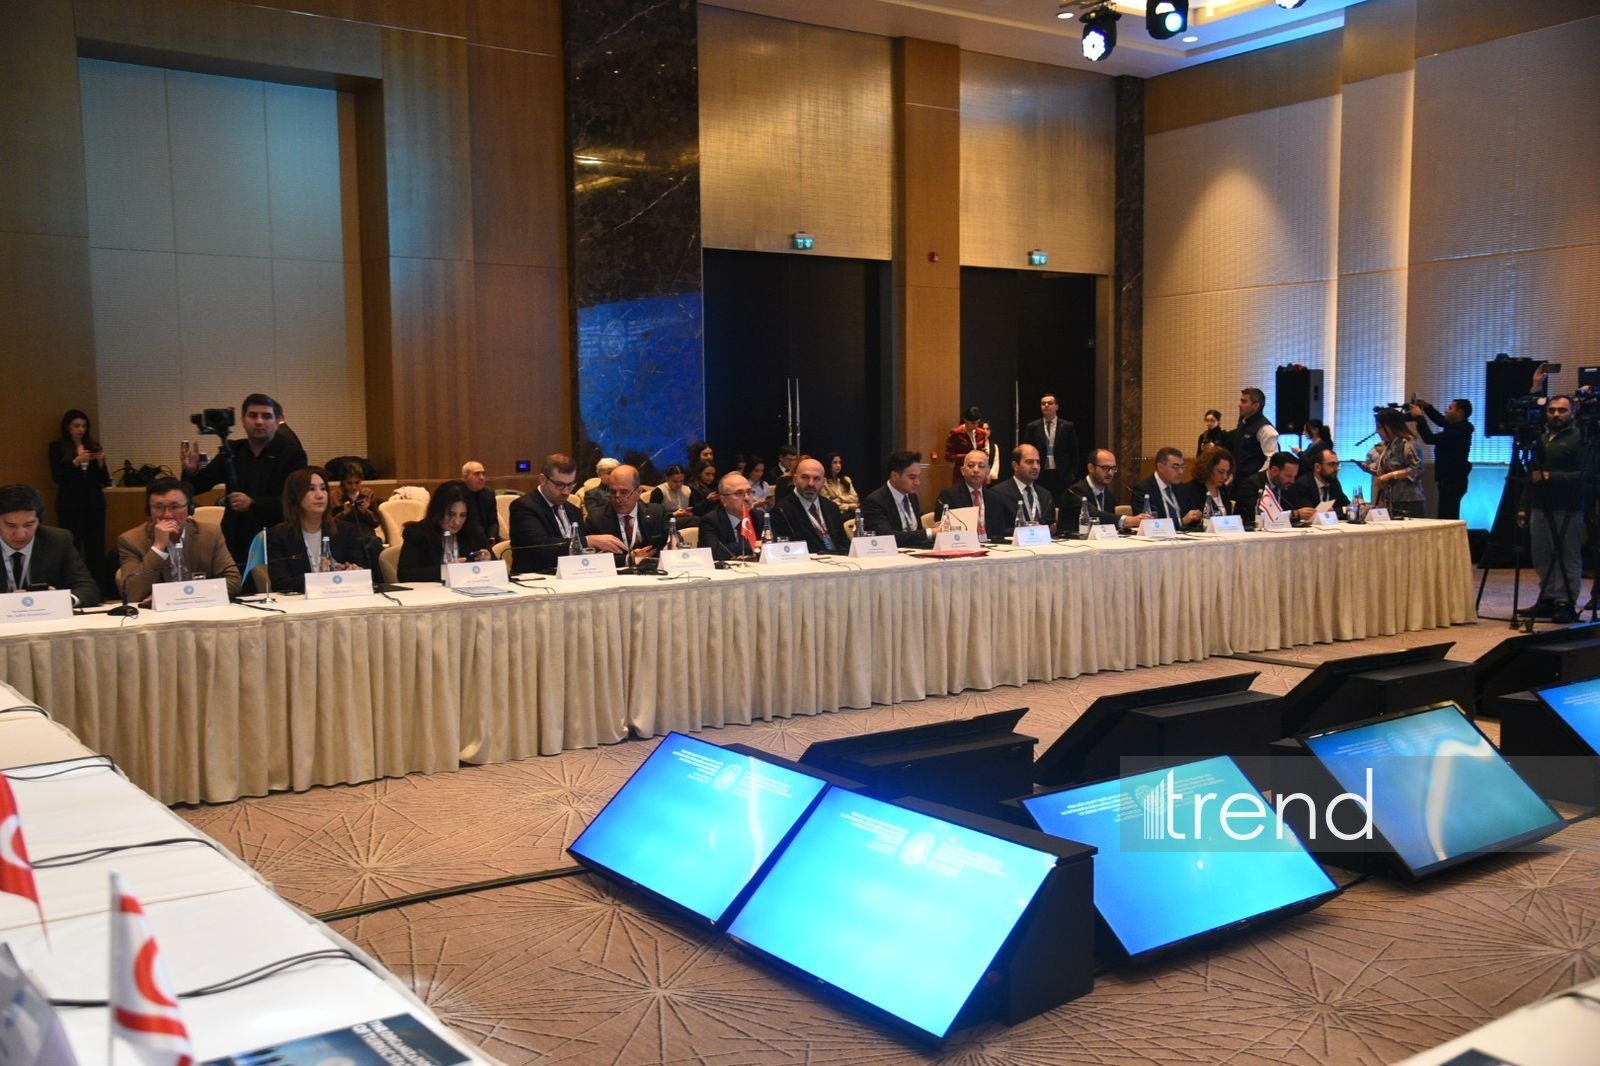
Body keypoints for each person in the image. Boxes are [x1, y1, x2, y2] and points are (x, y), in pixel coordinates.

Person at [180, 393, 308, 565]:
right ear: (243, 420)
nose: (259, 421)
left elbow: (295, 500)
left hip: (277, 538)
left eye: (266, 416)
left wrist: (253, 503)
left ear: (278, 421)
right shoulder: (232, 451)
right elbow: (196, 487)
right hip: (235, 539)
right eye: (253, 415)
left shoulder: (292, 455)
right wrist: (191, 472)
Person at [115, 477, 241, 602]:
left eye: (174, 507)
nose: (167, 515)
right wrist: (158, 548)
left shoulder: (210, 534)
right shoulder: (131, 540)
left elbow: (233, 582)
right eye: (158, 507)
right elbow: (131, 593)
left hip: (202, 608)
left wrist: (174, 597)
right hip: (155, 613)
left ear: (190, 508)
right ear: (149, 510)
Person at [1524, 395, 1584, 622]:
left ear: (1572, 412)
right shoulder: (1542, 437)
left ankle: (1565, 601)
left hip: (1567, 507)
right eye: (1552, 410)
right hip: (1540, 506)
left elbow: (1585, 475)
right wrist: (1524, 505)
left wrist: (1551, 476)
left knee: (1567, 556)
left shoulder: (1580, 438)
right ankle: (1548, 598)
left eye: (1562, 410)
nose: (1556, 414)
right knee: (1541, 555)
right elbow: (1531, 473)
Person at [266, 468, 370, 593]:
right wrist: (319, 578)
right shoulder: (278, 536)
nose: (320, 495)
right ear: (295, 496)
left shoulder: (345, 530)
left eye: (323, 489)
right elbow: (281, 584)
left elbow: (361, 570)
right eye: (311, 489)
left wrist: (352, 570)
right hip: (300, 601)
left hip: (339, 597)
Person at [0, 483, 100, 606]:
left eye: (29, 525)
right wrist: (6, 603)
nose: (21, 534)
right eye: (11, 526)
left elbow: (88, 588)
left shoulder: (57, 540)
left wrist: (63, 599)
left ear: (39, 521)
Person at [48, 409, 111, 584]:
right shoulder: (57, 447)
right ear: (67, 427)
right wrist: (75, 462)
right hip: (70, 504)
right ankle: (74, 584)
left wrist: (101, 462)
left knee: (96, 546)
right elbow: (57, 477)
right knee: (72, 544)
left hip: (94, 503)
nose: (81, 430)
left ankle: (98, 586)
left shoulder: (94, 446)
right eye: (76, 426)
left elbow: (104, 480)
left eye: (84, 426)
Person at [397, 480, 491, 583]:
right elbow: (405, 575)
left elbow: (498, 569)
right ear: (438, 511)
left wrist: (488, 562)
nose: (457, 522)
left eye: (462, 515)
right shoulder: (416, 533)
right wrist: (446, 571)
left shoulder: (474, 533)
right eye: (451, 514)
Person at [510, 454, 585, 575]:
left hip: (573, 574)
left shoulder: (573, 510)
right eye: (560, 485)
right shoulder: (523, 507)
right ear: (543, 479)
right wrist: (586, 542)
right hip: (537, 578)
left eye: (570, 485)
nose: (566, 492)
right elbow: (542, 548)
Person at [583, 464, 669, 565]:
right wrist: (628, 559)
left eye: (624, 492)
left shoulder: (657, 512)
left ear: (638, 492)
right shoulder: (596, 519)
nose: (618, 498)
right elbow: (594, 559)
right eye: (613, 492)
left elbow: (671, 540)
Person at [1409, 397, 1474, 520]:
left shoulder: (1459, 431)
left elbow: (1429, 438)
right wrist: (1427, 407)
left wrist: (1420, 418)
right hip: (1451, 478)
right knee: (1447, 514)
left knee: (1447, 516)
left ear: (1460, 413)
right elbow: (1441, 420)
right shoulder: (1459, 426)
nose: (1446, 410)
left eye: (1450, 408)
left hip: (1453, 480)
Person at [774, 457, 849, 554]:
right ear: (795, 480)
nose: (811, 484)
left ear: (823, 482)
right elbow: (787, 551)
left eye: (817, 479)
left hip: (839, 559)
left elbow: (843, 544)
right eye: (805, 477)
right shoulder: (781, 511)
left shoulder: (832, 507)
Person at [859, 451, 930, 548]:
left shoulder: (912, 497)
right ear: (895, 476)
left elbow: (917, 532)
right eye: (912, 477)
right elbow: (887, 538)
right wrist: (929, 532)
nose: (918, 482)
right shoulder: (875, 501)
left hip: (917, 551)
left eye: (918, 477)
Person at [1362, 409, 1425, 519]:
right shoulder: (1390, 444)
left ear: (1390, 426)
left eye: (1380, 427)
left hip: (1408, 500)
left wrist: (1390, 475)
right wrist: (1373, 470)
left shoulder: (1407, 442)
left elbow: (1417, 469)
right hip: (1391, 499)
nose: (1377, 431)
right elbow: (1390, 467)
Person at [1063, 449, 1144, 532]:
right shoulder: (1075, 492)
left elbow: (1109, 525)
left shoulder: (1109, 495)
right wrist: (1127, 520)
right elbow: (1093, 515)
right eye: (1105, 468)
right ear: (1091, 468)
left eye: (1113, 468)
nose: (1110, 473)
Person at [986, 444, 1055, 541]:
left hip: (1043, 545)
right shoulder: (997, 494)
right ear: (1015, 466)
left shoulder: (1046, 495)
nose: (1035, 467)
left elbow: (1050, 525)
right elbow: (996, 530)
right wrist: (1026, 531)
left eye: (1038, 462)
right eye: (1030, 462)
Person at [1022, 394, 1079, 502]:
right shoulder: (1033, 427)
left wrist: (1072, 474)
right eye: (1043, 404)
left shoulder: (1067, 426)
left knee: (1061, 503)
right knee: (1043, 501)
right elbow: (1026, 450)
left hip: (1061, 473)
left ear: (1056, 407)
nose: (1046, 405)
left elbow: (1074, 452)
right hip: (1040, 472)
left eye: (1050, 403)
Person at [699, 472, 762, 561]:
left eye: (749, 492)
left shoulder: (759, 516)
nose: (747, 498)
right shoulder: (710, 521)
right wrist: (753, 544)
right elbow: (713, 553)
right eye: (739, 493)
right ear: (723, 500)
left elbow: (773, 542)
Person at [1229, 387, 1279, 498]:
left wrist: (1257, 479)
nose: (1239, 405)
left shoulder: (1265, 429)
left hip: (1253, 486)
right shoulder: (1243, 423)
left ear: (1256, 405)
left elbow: (1272, 458)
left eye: (1244, 401)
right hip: (1237, 482)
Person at [1131, 447, 1200, 528]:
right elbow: (1149, 524)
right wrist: (1181, 522)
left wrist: (1196, 516)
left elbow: (1190, 517)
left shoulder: (1181, 488)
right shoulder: (1142, 490)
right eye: (1175, 467)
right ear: (1160, 467)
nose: (1181, 472)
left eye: (1182, 467)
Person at [1236, 451, 1301, 529]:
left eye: (1294, 476)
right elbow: (1254, 515)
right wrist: (1292, 514)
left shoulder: (1288, 486)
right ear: (1274, 471)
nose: (1292, 481)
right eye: (1288, 476)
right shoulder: (1251, 485)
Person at [935, 450, 992, 537]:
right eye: (971, 465)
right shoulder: (948, 496)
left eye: (981, 466)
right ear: (963, 471)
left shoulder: (994, 498)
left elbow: (999, 530)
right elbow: (942, 528)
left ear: (987, 471)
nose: (976, 470)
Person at [1286, 449, 1349, 521]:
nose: (1336, 469)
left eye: (1337, 464)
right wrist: (1339, 511)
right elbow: (1311, 515)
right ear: (1317, 467)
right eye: (1331, 464)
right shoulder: (1302, 484)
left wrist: (1339, 510)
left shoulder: (1334, 482)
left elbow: (1347, 506)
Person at [329, 460, 380, 536]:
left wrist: (366, 512)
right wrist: (344, 513)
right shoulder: (334, 496)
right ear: (343, 481)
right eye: (349, 483)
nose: (354, 487)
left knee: (374, 541)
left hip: (366, 535)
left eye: (357, 482)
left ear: (361, 480)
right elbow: (329, 525)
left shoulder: (368, 494)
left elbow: (376, 522)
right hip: (344, 536)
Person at [1188, 446, 1235, 519]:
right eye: (1221, 472)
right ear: (1208, 468)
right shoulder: (1192, 490)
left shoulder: (1224, 490)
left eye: (1227, 472)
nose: (1225, 477)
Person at [461, 460, 501, 543]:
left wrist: (492, 538)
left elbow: (493, 522)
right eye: (477, 474)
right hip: (465, 540)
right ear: (465, 477)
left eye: (483, 473)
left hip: (486, 539)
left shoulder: (489, 493)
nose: (482, 477)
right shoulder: (458, 494)